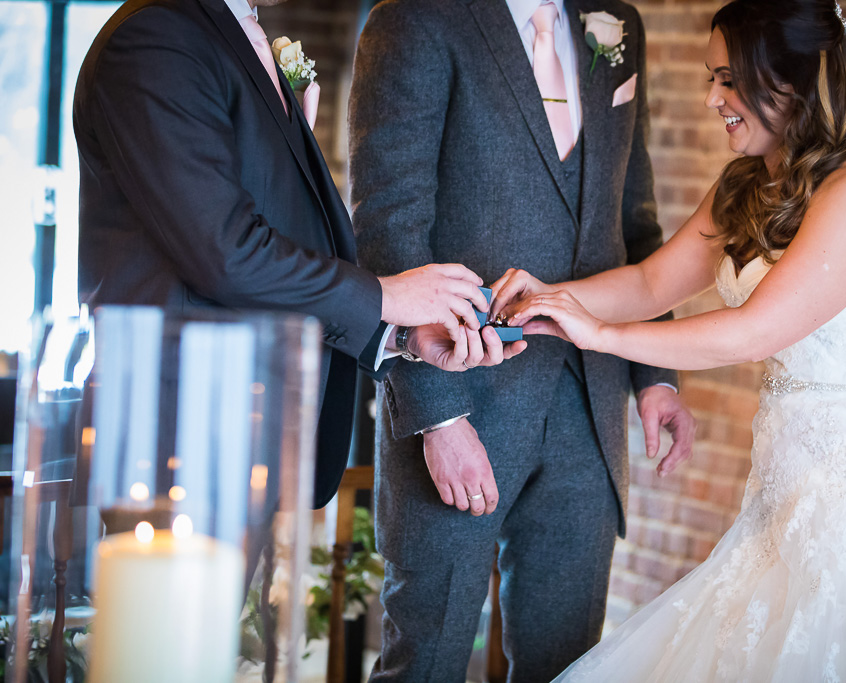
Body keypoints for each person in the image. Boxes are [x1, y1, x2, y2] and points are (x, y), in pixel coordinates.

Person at [493, 1, 846, 679]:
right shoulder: (746, 182)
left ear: (791, 81)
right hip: (783, 494)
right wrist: (551, 296)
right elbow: (653, 281)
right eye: (712, 79)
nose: (712, 99)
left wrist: (597, 334)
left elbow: (754, 331)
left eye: (729, 79)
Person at [348, 0, 695, 680]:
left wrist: (654, 374)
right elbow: (388, 233)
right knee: (426, 662)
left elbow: (635, 224)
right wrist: (437, 415)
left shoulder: (617, 26)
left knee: (570, 667)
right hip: (460, 399)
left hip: (589, 409)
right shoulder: (416, 18)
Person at [73, 0, 516, 510]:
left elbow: (279, 235)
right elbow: (227, 253)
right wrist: (386, 295)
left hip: (247, 433)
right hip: (176, 438)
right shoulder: (157, 37)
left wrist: (398, 336)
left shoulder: (233, 35)